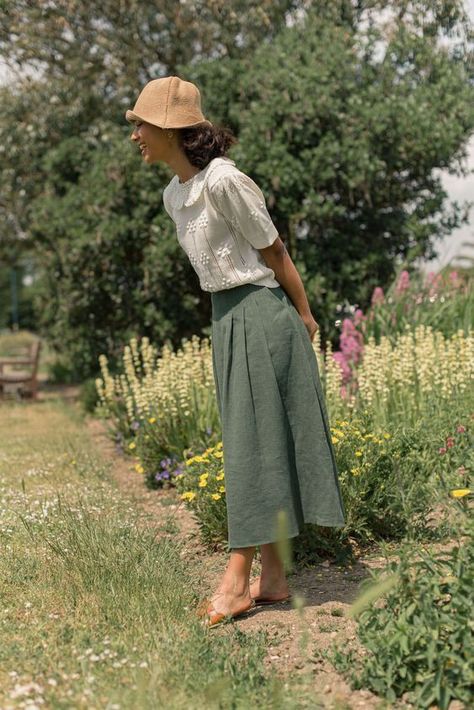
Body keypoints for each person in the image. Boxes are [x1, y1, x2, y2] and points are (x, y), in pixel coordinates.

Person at [126, 76, 346, 627]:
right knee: (254, 441)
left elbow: (273, 248)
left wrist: (304, 315)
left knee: (251, 446)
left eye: (141, 124)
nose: (135, 136)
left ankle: (235, 580)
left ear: (172, 129)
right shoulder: (175, 195)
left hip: (262, 314)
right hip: (226, 318)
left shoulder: (225, 181)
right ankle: (272, 579)